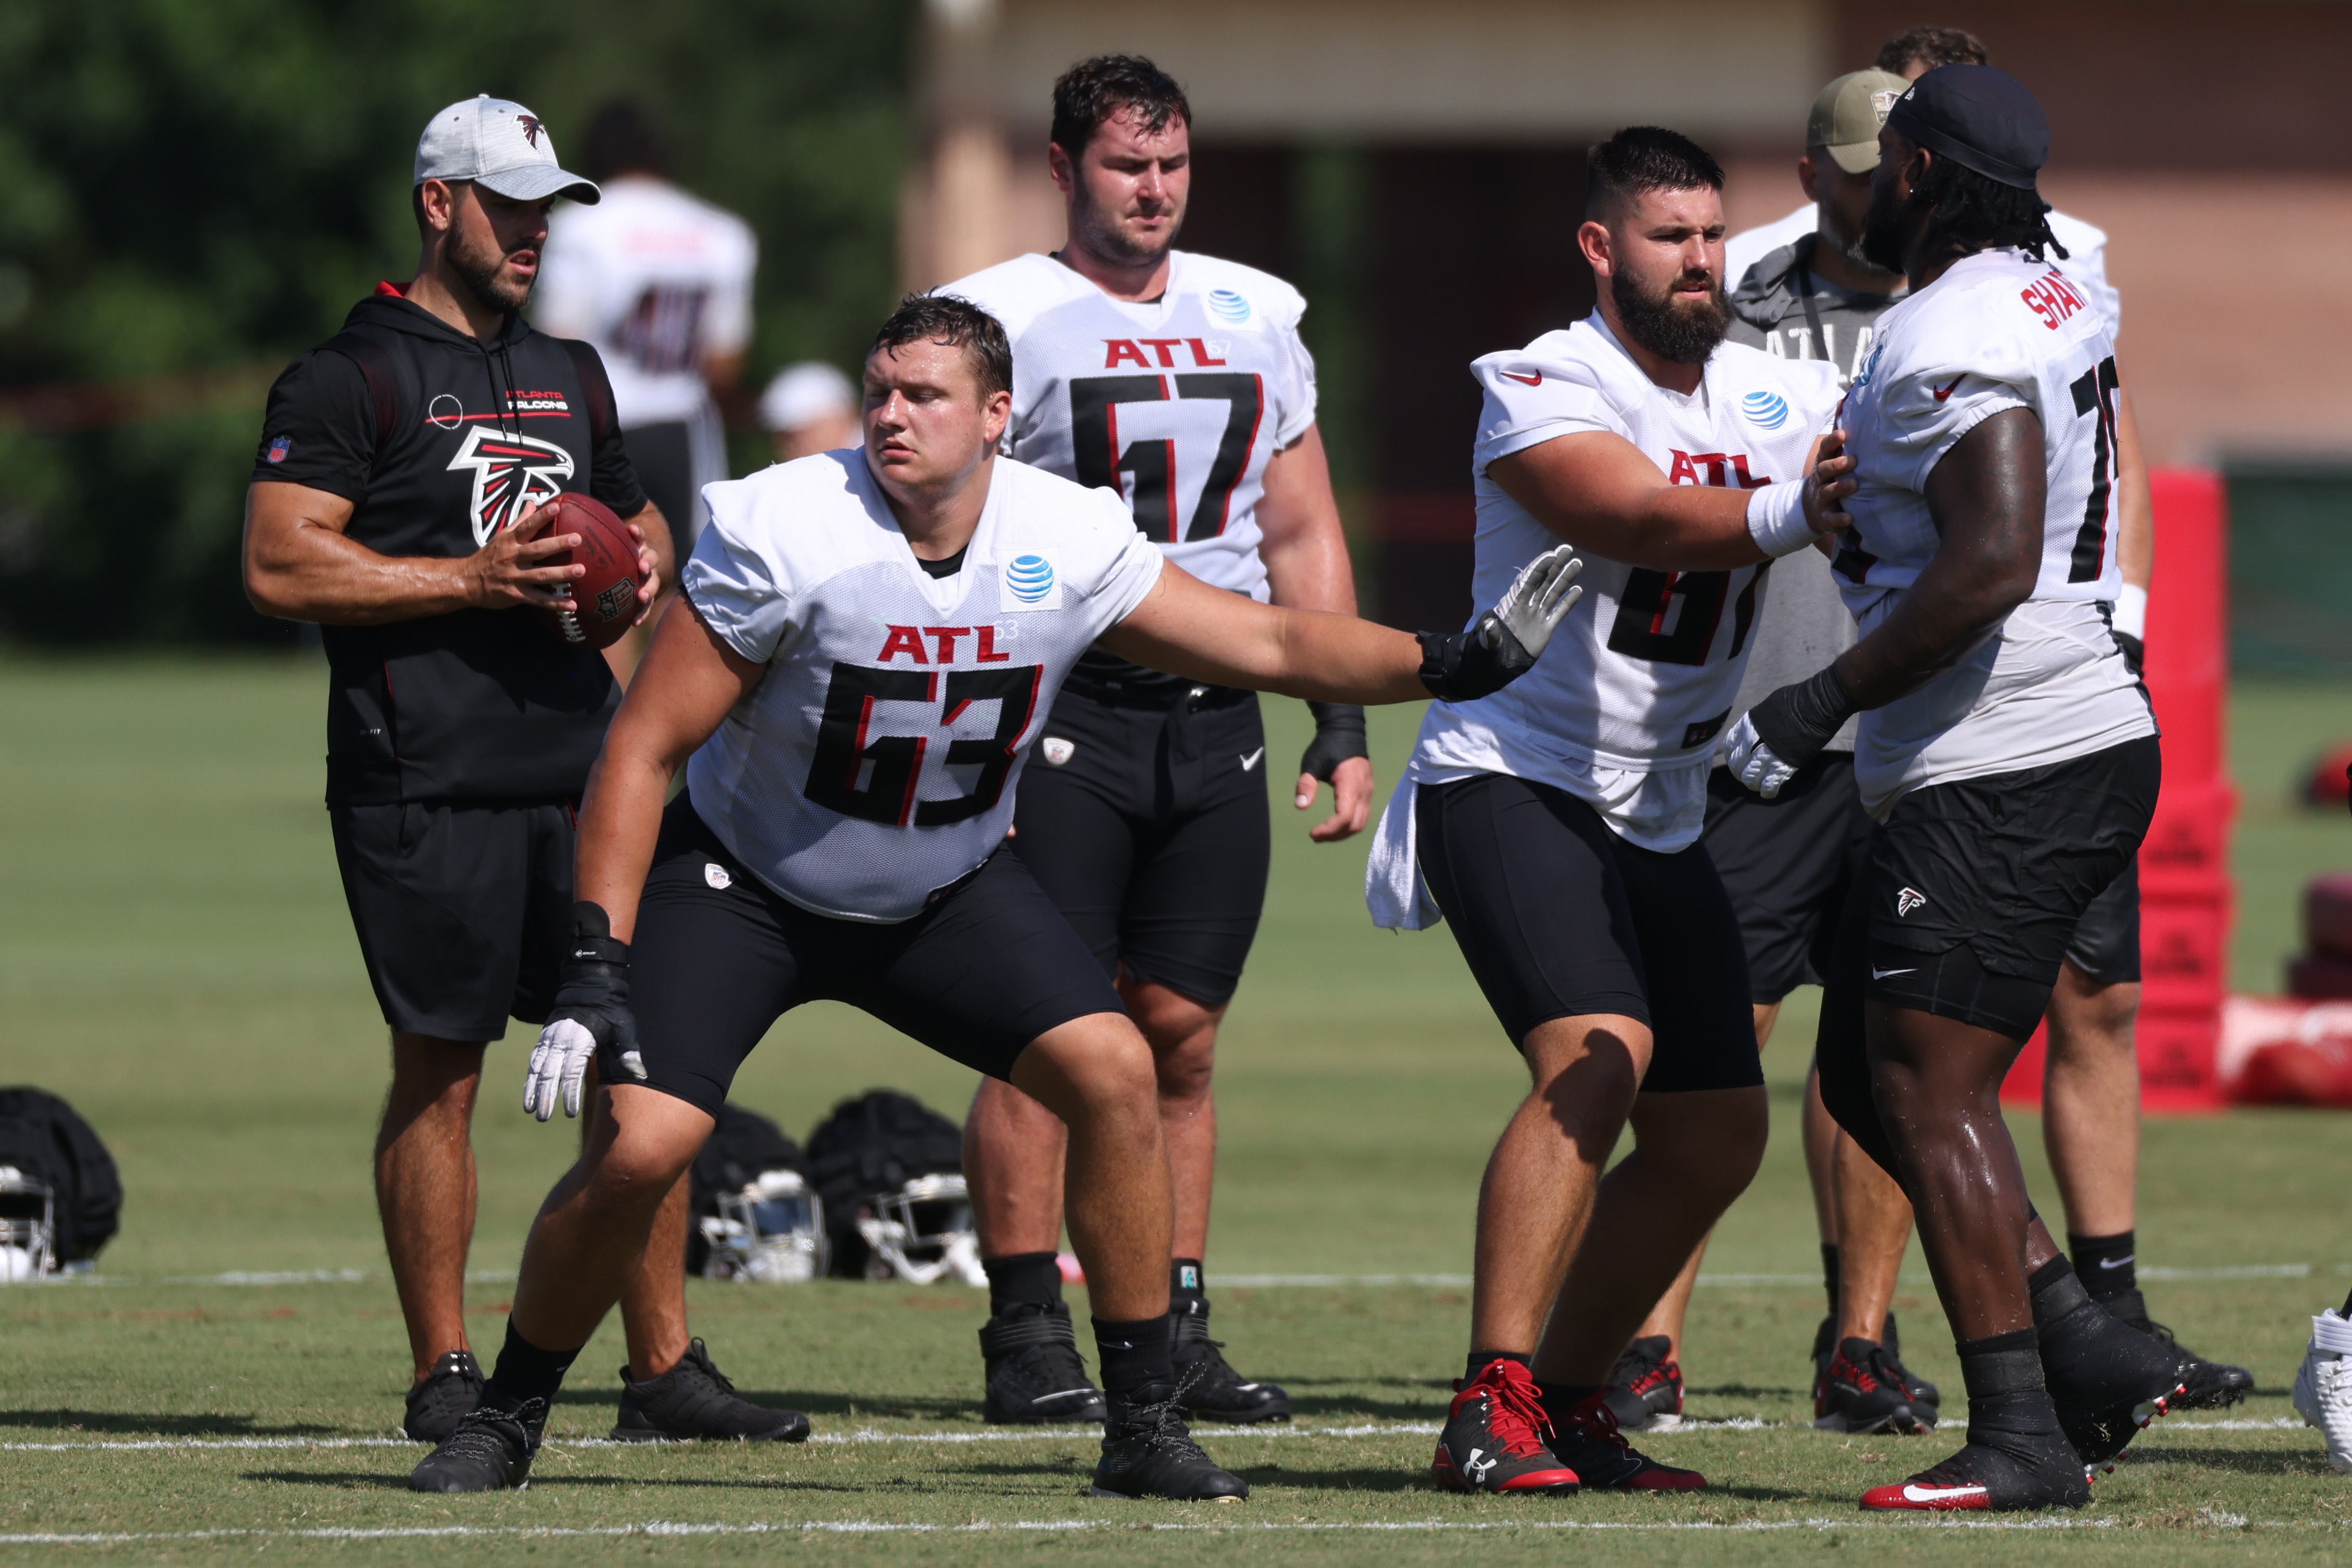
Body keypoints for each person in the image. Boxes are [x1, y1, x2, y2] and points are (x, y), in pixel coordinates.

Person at [400, 293, 1582, 1500]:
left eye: (925, 395)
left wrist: (1449, 660)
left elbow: (1269, 643)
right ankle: (505, 1414)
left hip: (945, 887)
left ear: (997, 416)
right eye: (880, 389)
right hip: (746, 882)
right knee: (647, 1141)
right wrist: (598, 955)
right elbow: (641, 748)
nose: (891, 415)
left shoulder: (1065, 535)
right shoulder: (789, 522)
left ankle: (1139, 1427)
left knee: (1116, 1068)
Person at [1686, 31, 2248, 1438]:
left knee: (1923, 1084)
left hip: (1998, 741)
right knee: (1869, 1067)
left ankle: (2019, 1422)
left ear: (1923, 173)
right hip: (2058, 722)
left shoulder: (1946, 327)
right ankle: (2078, 1338)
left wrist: (1817, 698)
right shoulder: (2058, 285)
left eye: (1892, 156)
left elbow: (1987, 555)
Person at [242, 96, 791, 1448]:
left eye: (550, 210)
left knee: (635, 1065)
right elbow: (278, 556)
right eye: (512, 207)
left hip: (588, 770)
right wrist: (470, 577)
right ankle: (443, 1370)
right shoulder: (344, 375)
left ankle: (659, 1369)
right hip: (420, 772)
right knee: (442, 1068)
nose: (536, 232)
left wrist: (647, 553)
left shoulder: (571, 368)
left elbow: (632, 504)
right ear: (439, 204)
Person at [1364, 127, 1852, 1495]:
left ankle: (1572, 1400)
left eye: (1710, 234)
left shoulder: (1774, 395)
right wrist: (1793, 512)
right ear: (1600, 247)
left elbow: (1890, 493)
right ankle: (1490, 1397)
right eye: (1666, 235)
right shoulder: (1538, 378)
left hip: (1660, 802)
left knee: (1712, 1135)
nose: (1699, 260)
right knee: (1600, 1052)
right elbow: (1633, 516)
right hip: (1510, 772)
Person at [940, 56, 1372, 1426]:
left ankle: (1172, 1324)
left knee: (1180, 1036)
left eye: (1172, 164)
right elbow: (938, 521)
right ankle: (1025, 1328)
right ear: (1063, 170)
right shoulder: (998, 318)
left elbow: (1297, 526)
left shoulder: (1255, 310)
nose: (1154, 190)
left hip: (1215, 715)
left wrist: (1340, 714)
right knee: (1042, 1030)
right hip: (1061, 708)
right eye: (1126, 165)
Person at [535, 100, 756, 552]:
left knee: (594, 576)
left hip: (598, 423)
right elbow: (724, 363)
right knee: (686, 576)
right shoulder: (721, 233)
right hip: (683, 425)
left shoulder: (576, 229)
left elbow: (559, 342)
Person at [760, 361, 861, 462]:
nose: (789, 449)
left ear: (842, 417)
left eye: (800, 434)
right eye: (782, 439)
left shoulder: (871, 463)